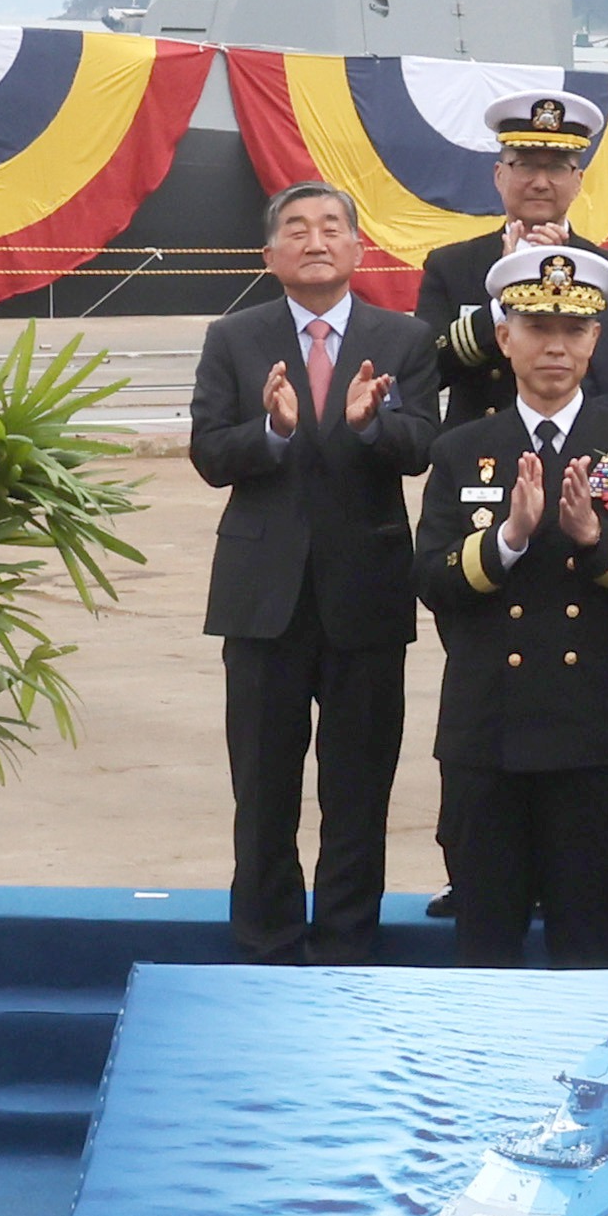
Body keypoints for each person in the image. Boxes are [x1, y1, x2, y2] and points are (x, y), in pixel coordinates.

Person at [414, 244, 608, 967]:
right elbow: (433, 579)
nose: (555, 346)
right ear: (504, 338)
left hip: (594, 731)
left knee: (593, 942)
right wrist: (508, 537)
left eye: (573, 329)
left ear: (596, 339)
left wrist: (596, 540)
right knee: (486, 941)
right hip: (488, 727)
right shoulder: (461, 448)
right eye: (537, 328)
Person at [190, 182, 436, 961]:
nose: (316, 239)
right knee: (262, 789)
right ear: (270, 255)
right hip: (263, 599)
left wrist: (371, 425)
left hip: (366, 592)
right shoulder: (234, 337)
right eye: (296, 229)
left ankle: (346, 945)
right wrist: (270, 429)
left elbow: (422, 444)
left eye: (332, 226)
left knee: (358, 790)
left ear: (359, 248)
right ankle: (264, 941)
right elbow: (208, 453)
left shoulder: (403, 338)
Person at [415, 90, 603, 428]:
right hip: (474, 455)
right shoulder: (452, 266)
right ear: (499, 175)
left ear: (578, 181)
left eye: (558, 168)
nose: (540, 183)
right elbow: (425, 370)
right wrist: (504, 299)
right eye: (526, 165)